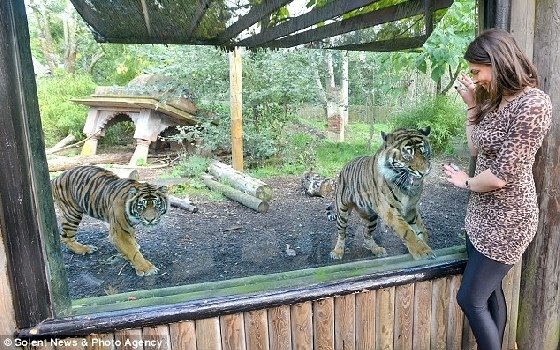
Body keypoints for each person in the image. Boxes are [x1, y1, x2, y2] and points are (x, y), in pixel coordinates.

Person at [443, 28, 552, 350]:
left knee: (470, 298)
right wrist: (472, 105)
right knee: (489, 293)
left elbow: (500, 176)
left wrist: (465, 182)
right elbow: (477, 149)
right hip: (481, 214)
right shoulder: (498, 100)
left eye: (477, 72)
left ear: (496, 61)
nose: (475, 79)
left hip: (510, 219)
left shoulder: (533, 104)